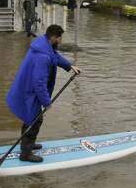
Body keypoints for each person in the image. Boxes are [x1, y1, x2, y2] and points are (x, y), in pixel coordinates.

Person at [6, 25, 81, 162]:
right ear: (53, 37)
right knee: (35, 120)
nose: (61, 41)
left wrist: (69, 66)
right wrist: (47, 102)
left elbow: (55, 56)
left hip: (28, 89)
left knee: (30, 118)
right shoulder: (42, 57)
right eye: (59, 38)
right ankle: (26, 154)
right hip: (29, 91)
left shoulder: (43, 45)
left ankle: (27, 144)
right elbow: (39, 83)